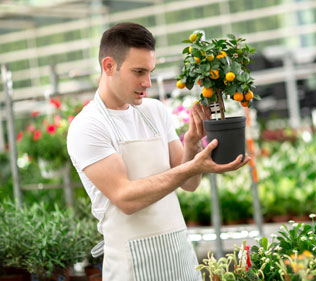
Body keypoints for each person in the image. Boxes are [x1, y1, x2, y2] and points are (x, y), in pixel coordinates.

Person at [67, 22, 250, 281]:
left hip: (179, 255)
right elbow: (126, 198)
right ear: (109, 66)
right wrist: (194, 165)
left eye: (150, 71)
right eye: (139, 71)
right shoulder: (87, 127)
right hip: (131, 265)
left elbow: (188, 183)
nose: (148, 82)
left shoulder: (154, 112)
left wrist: (192, 143)